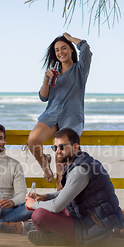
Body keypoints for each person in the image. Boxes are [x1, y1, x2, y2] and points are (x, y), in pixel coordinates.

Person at [25, 127, 124, 247]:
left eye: (61, 147)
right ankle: (62, 237)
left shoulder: (80, 170)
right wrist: (45, 197)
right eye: (55, 147)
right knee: (49, 208)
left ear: (75, 147)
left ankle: (65, 239)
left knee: (38, 216)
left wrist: (33, 204)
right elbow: (69, 191)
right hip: (97, 222)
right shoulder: (80, 162)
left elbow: (56, 206)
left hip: (98, 230)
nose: (57, 151)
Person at [27, 33, 92, 187]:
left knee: (61, 159)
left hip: (72, 118)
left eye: (64, 48)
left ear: (71, 50)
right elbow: (43, 97)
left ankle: (60, 196)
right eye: (57, 50)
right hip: (51, 115)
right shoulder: (53, 72)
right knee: (33, 141)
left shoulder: (80, 69)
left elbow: (86, 48)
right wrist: (46, 80)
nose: (60, 52)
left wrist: (70, 38)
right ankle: (44, 164)